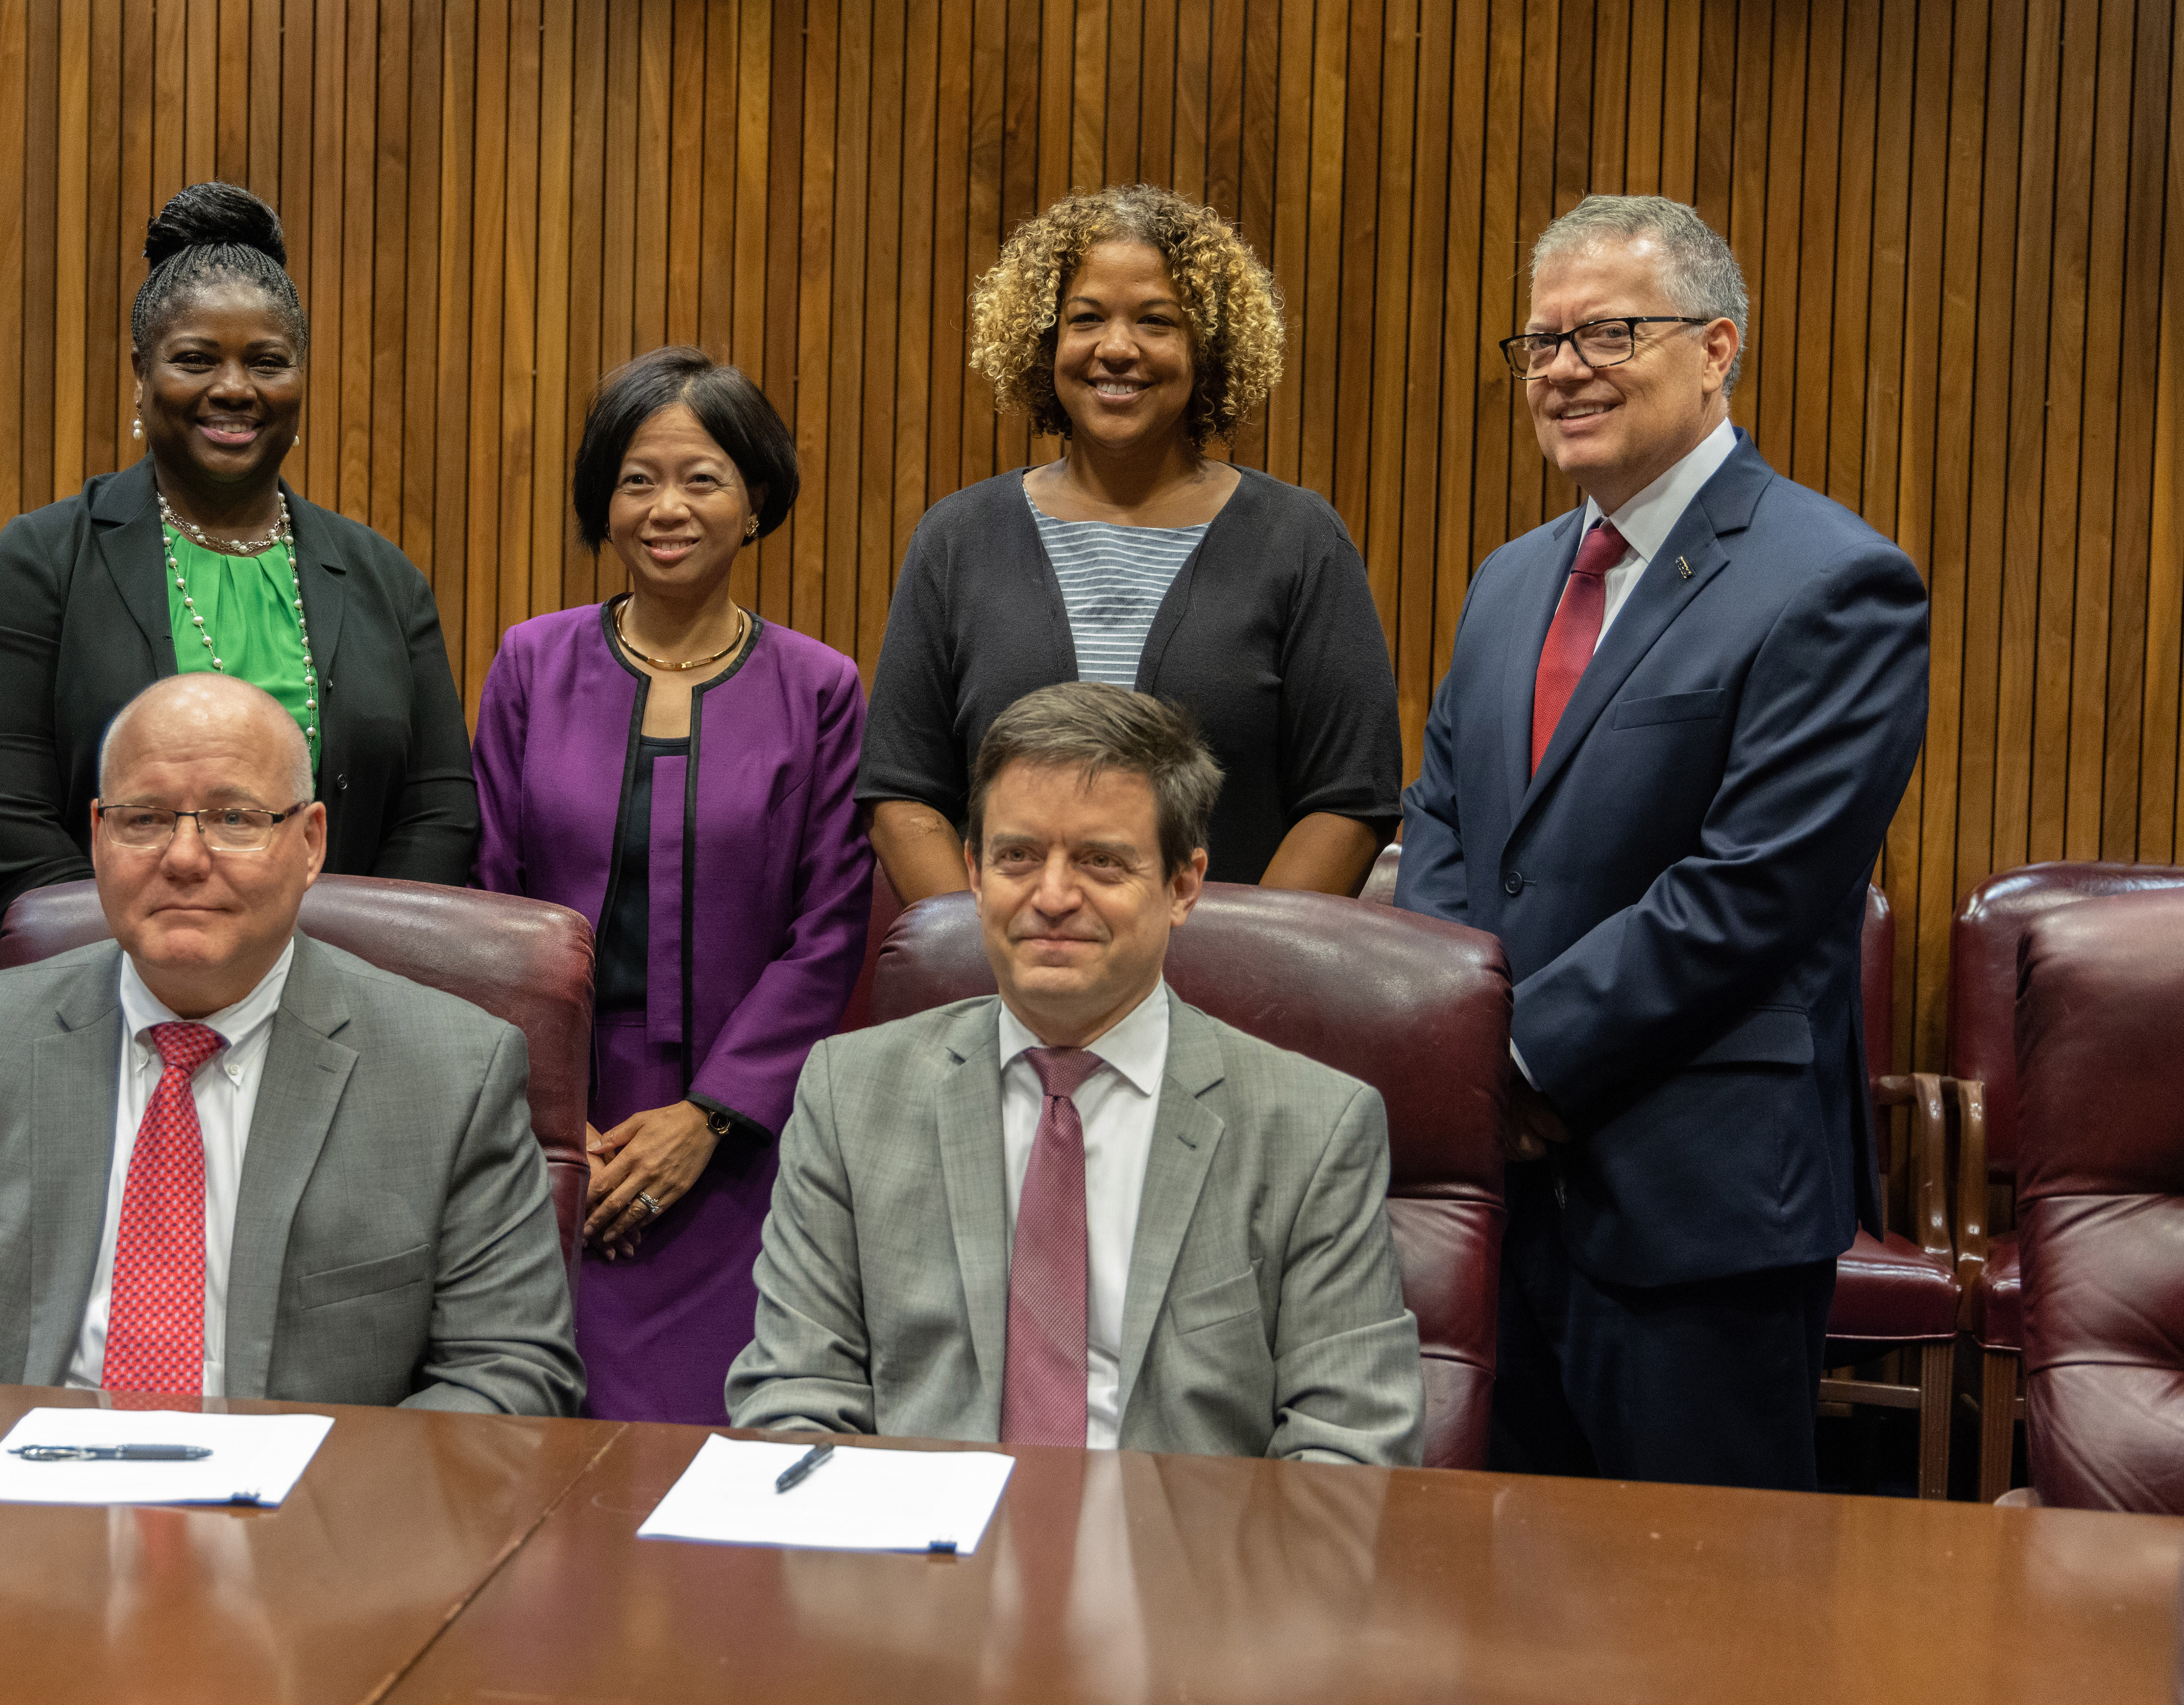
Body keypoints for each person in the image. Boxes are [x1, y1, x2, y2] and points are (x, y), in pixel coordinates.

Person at [1395, 195, 1929, 1490]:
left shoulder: (1835, 580)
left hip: (1696, 1202)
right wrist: (1460, 1050)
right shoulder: (1509, 577)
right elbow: (1449, 824)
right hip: (1493, 1204)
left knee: (1707, 1617)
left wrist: (1516, 1055)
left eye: (1610, 331)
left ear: (1718, 345)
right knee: (1489, 1604)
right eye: (1540, 342)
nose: (1565, 368)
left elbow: (1755, 888)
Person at [0, 672, 582, 1415]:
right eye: (146, 819)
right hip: (10, 1531)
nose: (185, 858)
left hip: (307, 1539)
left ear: (308, 844)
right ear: (98, 836)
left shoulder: (451, 1072)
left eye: (234, 818)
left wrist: (321, 1531)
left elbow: (508, 1374)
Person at [729, 682, 1422, 1461]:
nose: (1052, 897)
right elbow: (792, 1403)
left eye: (1100, 861)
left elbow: (1349, 1455)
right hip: (918, 1566)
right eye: (1018, 856)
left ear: (1182, 885)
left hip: (1185, 1568)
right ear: (974, 872)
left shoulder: (1312, 1127)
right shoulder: (848, 1093)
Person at [472, 347, 874, 1424]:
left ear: (755, 502)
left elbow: (833, 927)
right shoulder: (529, 664)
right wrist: (563, 1117)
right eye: (638, 478)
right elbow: (493, 899)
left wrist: (709, 1115)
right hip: (554, 1122)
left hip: (746, 1132)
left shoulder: (822, 687)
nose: (667, 507)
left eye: (702, 478)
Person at [0, 181, 475, 972]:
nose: (233, 388)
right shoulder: (42, 560)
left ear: (300, 378)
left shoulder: (384, 580)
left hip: (333, 1005)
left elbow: (439, 813)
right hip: (89, 999)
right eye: (195, 359)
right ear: (140, 373)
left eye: (266, 361)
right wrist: (159, 962)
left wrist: (330, 976)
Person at [861, 184, 1401, 906]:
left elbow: (1351, 795)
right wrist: (989, 952)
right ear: (1045, 342)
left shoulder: (1300, 541)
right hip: (1002, 988)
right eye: (1086, 319)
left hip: (1228, 996)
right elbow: (902, 789)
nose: (1117, 349)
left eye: (1156, 321)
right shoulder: (956, 539)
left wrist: (1222, 970)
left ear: (1206, 347)